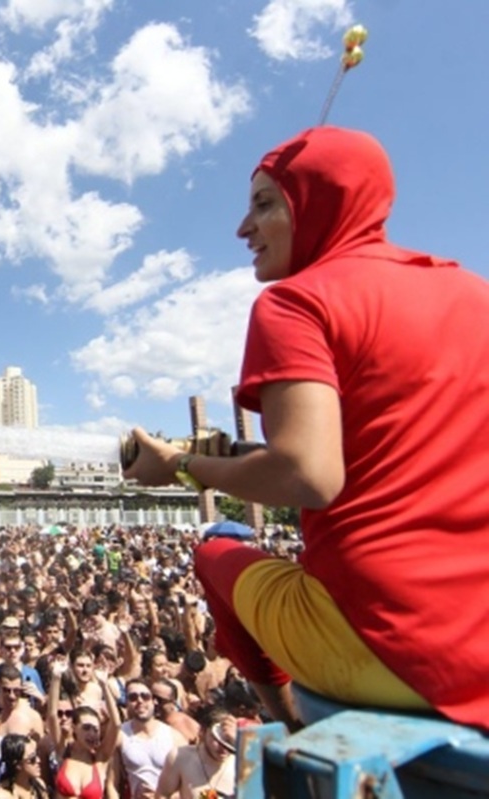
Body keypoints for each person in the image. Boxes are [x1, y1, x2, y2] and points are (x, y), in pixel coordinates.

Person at [123, 125, 489, 730]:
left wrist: (181, 467)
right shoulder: (474, 293)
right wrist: (241, 453)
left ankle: (287, 721)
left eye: (265, 204)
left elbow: (307, 474)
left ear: (323, 200)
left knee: (216, 552)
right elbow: (379, 449)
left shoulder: (296, 301)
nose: (243, 229)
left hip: (391, 643)